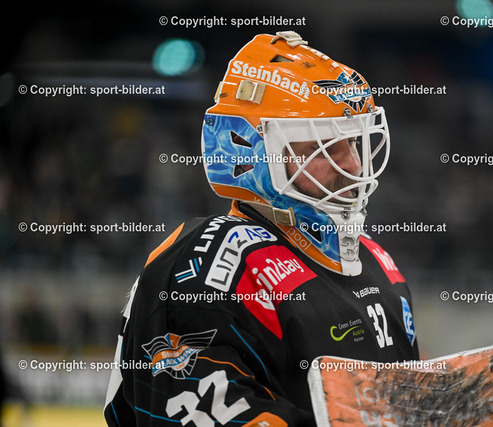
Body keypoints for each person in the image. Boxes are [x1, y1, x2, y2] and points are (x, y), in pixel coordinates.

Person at [104, 31, 419, 426]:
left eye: (352, 142)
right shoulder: (205, 267)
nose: (353, 164)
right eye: (322, 147)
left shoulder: (377, 260)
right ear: (251, 152)